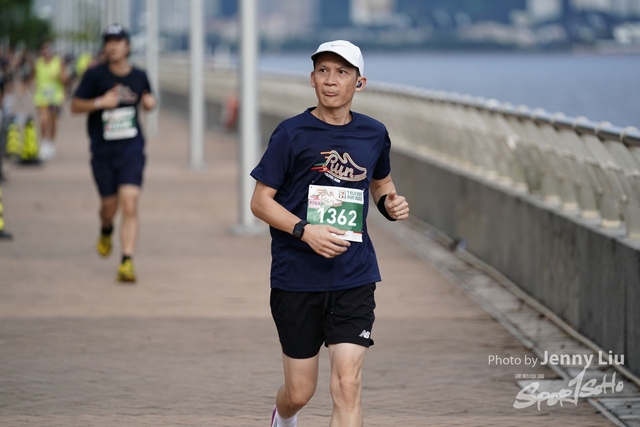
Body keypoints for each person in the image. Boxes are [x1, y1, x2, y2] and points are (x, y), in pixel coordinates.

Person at [250, 40, 410, 427]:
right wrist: (305, 231)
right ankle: (283, 418)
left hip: (353, 275)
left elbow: (380, 182)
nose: (331, 80)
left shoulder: (374, 133)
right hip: (297, 278)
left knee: (347, 385)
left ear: (360, 83)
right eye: (323, 71)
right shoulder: (291, 134)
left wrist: (389, 203)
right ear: (312, 79)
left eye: (341, 72)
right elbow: (260, 202)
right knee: (299, 392)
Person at [71, 24, 156, 283]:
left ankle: (126, 261)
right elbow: (75, 105)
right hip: (103, 152)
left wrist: (149, 104)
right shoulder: (94, 75)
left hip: (132, 150)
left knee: (129, 203)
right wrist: (100, 102)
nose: (113, 46)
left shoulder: (139, 76)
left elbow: (148, 99)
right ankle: (106, 228)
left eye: (118, 41)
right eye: (108, 41)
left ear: (127, 46)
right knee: (109, 208)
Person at [33, 41, 67, 160]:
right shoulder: (38, 63)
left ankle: (51, 142)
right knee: (43, 120)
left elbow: (65, 79)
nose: (46, 53)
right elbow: (35, 77)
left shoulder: (58, 62)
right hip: (42, 96)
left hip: (55, 97)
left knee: (53, 122)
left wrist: (59, 76)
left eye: (48, 50)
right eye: (44, 50)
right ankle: (44, 143)